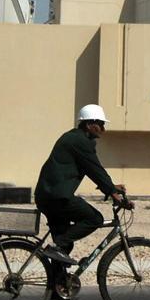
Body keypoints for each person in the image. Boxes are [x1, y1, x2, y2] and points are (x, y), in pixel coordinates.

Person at [34, 104, 124, 267]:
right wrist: (112, 192)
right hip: (56, 197)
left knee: (64, 249)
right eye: (101, 124)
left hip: (48, 196)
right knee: (94, 218)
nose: (103, 129)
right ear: (89, 124)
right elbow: (94, 168)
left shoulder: (74, 138)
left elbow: (91, 169)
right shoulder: (79, 141)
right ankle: (57, 246)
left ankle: (57, 290)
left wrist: (111, 186)